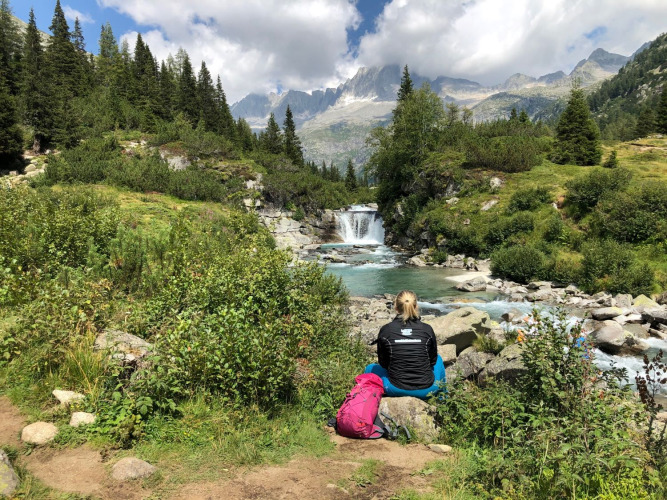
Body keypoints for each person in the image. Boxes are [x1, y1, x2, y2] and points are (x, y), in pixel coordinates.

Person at [365, 290, 446, 399]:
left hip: (395, 388)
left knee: (370, 368)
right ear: (416, 306)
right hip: (427, 390)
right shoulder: (427, 329)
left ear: (396, 307)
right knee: (439, 359)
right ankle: (443, 399)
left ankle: (369, 400)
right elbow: (433, 361)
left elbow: (383, 363)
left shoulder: (386, 330)